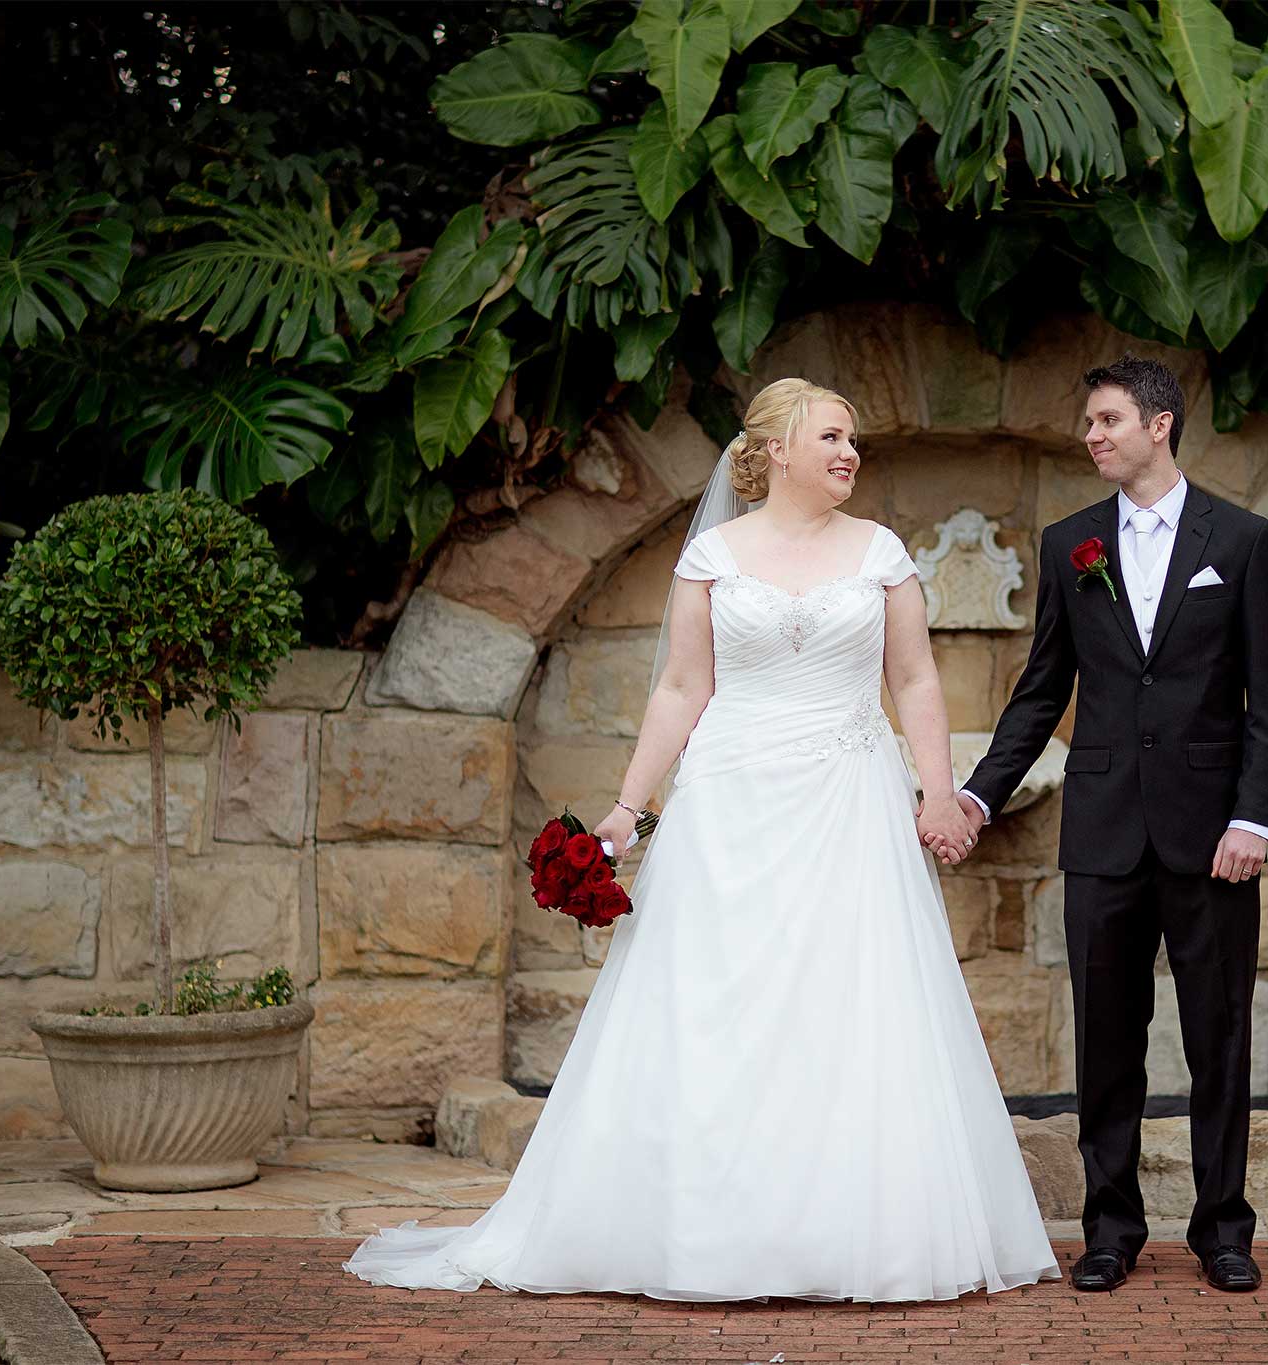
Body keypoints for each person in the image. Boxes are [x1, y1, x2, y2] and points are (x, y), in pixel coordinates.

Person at [342, 377, 1060, 1303]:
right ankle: (703, 1231)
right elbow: (683, 687)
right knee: (715, 1007)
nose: (850, 453)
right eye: (832, 437)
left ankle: (844, 1232)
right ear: (778, 449)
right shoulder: (714, 555)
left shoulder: (880, 552)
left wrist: (936, 790)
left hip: (846, 802)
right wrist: (628, 807)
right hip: (729, 803)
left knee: (849, 1008)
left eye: (853, 440)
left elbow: (915, 678)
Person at [944, 354, 1268, 1296]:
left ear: (1159, 424)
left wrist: (1252, 818)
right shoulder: (1072, 545)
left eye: (1107, 420)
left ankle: (1223, 1229)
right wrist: (978, 795)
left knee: (1218, 1035)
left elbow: (1267, 699)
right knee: (1105, 1042)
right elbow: (1040, 691)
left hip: (1212, 836)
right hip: (1101, 833)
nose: (1091, 435)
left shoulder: (1242, 539)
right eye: (1090, 422)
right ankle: (1110, 1229)